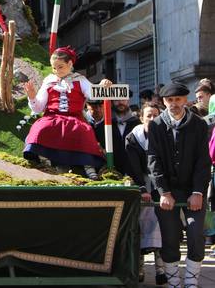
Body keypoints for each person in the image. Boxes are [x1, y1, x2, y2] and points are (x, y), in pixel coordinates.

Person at [148, 82, 210, 288]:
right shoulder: (156, 125)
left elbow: (203, 161)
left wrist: (198, 191)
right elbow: (153, 160)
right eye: (169, 100)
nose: (173, 104)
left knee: (195, 234)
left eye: (178, 99)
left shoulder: (199, 125)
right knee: (170, 235)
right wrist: (163, 192)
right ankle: (174, 282)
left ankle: (191, 282)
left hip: (193, 188)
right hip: (167, 191)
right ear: (164, 102)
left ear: (185, 99)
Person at [23, 46, 109, 180]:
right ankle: (44, 159)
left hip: (75, 118)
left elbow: (94, 93)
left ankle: (88, 165)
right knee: (40, 127)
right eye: (54, 68)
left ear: (70, 64)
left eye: (60, 67)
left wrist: (103, 86)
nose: (56, 71)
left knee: (84, 131)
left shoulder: (80, 80)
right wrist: (32, 97)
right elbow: (38, 108)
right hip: (52, 117)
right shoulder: (48, 81)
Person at [125, 102, 166, 285]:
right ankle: (140, 267)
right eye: (148, 115)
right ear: (141, 117)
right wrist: (141, 188)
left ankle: (161, 268)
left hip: (161, 186)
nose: (151, 119)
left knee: (163, 225)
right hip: (140, 185)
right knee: (139, 225)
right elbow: (132, 165)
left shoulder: (165, 135)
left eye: (155, 115)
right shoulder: (133, 138)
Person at [93, 98, 141, 176]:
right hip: (111, 171)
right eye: (117, 100)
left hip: (134, 170)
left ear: (128, 101)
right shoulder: (102, 126)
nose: (120, 102)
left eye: (123, 100)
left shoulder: (137, 123)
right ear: (111, 102)